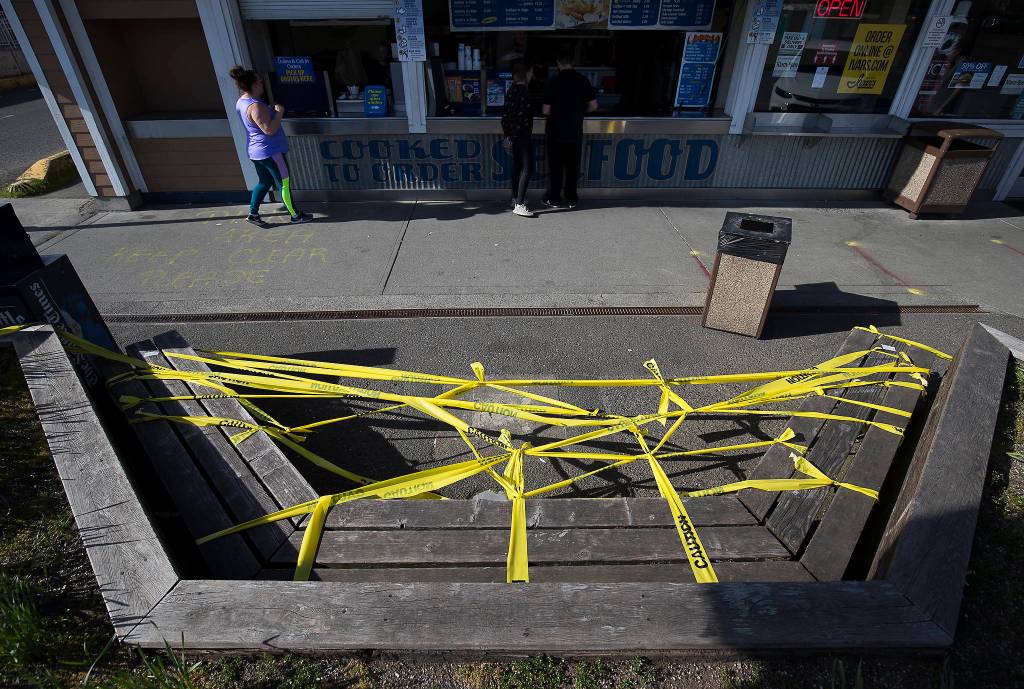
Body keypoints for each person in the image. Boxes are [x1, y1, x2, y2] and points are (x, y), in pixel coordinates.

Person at [228, 65, 312, 227]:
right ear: (252, 85)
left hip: (255, 151)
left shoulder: (241, 102)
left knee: (264, 182)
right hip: (271, 152)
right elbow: (269, 130)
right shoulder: (256, 106)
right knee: (284, 183)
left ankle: (253, 214)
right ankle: (295, 215)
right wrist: (279, 112)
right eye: (259, 82)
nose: (262, 84)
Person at [542, 50, 598, 209]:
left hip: (555, 132)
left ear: (558, 64)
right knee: (572, 168)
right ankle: (572, 199)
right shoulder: (583, 80)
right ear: (572, 63)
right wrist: (580, 112)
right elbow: (594, 106)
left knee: (556, 168)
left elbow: (546, 110)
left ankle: (554, 199)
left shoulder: (553, 81)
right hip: (574, 132)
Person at [501, 62, 535, 218]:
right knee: (527, 168)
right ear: (527, 74)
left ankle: (515, 198)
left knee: (517, 167)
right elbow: (522, 120)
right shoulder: (525, 93)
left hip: (513, 136)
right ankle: (520, 204)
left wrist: (508, 136)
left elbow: (506, 117)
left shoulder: (511, 91)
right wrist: (515, 136)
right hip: (522, 136)